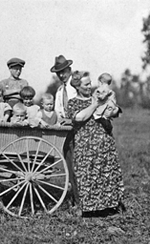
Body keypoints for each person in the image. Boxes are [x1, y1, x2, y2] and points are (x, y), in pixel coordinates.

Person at [67, 71, 125, 217]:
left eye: (90, 83)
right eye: (86, 84)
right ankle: (90, 208)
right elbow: (80, 117)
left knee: (107, 173)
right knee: (86, 173)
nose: (89, 87)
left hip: (104, 142)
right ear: (77, 86)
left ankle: (109, 206)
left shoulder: (98, 96)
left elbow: (115, 110)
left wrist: (111, 108)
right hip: (85, 144)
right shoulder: (73, 102)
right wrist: (96, 105)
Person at [50, 55, 79, 205]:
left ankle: (83, 200)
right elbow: (57, 110)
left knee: (79, 165)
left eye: (64, 71)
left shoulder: (76, 86)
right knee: (69, 164)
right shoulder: (60, 90)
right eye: (58, 73)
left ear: (69, 69)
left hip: (79, 129)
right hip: (66, 130)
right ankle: (75, 199)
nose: (61, 75)